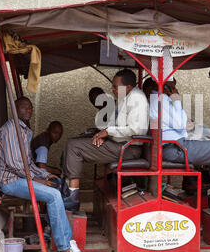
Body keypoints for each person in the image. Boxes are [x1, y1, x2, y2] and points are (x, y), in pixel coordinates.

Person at [0, 96, 85, 252]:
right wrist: (36, 180)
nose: (29, 110)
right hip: (9, 181)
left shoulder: (25, 131)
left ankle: (63, 239)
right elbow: (15, 165)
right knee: (54, 195)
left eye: (30, 108)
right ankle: (65, 248)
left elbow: (28, 163)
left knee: (54, 187)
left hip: (20, 177)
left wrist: (45, 174)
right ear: (15, 109)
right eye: (24, 107)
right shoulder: (10, 130)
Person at [144, 77, 210, 211]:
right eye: (172, 85)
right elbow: (181, 123)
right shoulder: (160, 99)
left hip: (174, 145)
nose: (175, 88)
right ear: (166, 86)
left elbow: (182, 122)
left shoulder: (159, 99)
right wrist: (177, 99)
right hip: (174, 148)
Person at [62, 69, 149, 211]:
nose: (112, 89)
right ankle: (68, 190)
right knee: (73, 141)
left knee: (74, 146)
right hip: (118, 144)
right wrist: (104, 134)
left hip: (128, 148)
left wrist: (107, 132)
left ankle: (72, 199)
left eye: (115, 86)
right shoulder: (125, 97)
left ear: (127, 87)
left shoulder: (136, 99)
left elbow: (136, 130)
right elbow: (116, 124)